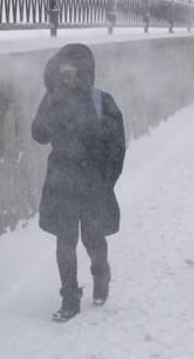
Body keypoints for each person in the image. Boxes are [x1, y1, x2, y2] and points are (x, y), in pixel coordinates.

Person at [31, 43, 127, 322]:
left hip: (93, 183)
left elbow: (118, 146)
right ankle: (69, 297)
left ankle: (101, 274)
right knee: (65, 241)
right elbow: (38, 134)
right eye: (63, 74)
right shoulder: (51, 100)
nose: (68, 78)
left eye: (72, 73)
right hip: (61, 182)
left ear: (84, 73)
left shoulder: (102, 101)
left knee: (93, 237)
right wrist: (49, 108)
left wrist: (107, 180)